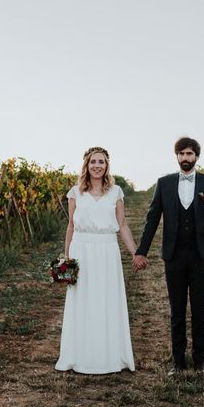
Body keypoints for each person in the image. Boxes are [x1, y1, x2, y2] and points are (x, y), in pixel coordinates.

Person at [133, 137, 204, 376]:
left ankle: (200, 361)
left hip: (202, 256)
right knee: (177, 311)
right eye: (182, 153)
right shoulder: (164, 183)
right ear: (176, 156)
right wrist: (141, 250)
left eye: (190, 154)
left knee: (200, 310)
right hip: (173, 256)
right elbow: (152, 219)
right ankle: (178, 363)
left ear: (196, 157)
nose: (186, 158)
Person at [55, 147, 136, 374]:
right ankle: (80, 355)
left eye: (101, 162)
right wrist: (67, 260)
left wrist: (134, 252)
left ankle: (109, 356)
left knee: (107, 300)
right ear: (87, 165)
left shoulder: (116, 192)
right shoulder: (75, 193)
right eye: (93, 162)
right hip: (81, 250)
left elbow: (122, 226)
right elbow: (71, 226)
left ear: (107, 165)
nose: (97, 166)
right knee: (82, 301)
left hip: (107, 251)